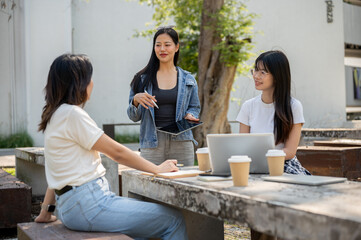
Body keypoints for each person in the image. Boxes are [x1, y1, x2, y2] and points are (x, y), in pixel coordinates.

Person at [34, 54, 188, 240]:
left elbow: (56, 168)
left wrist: (46, 211)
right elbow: (117, 152)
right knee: (173, 219)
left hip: (70, 206)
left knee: (142, 231)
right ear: (79, 83)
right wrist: (157, 168)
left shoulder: (54, 115)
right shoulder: (72, 114)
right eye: (89, 78)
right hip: (90, 204)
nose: (92, 84)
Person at [127, 26, 201, 166]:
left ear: (176, 47)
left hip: (182, 141)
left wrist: (190, 115)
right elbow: (133, 117)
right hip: (152, 143)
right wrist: (135, 100)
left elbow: (195, 107)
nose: (162, 49)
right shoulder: (141, 79)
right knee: (150, 183)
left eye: (167, 45)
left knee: (184, 183)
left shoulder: (188, 79)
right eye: (158, 45)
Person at [236, 50, 311, 175]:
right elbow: (242, 146)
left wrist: (267, 157)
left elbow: (290, 151)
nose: (256, 76)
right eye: (255, 70)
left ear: (277, 76)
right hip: (253, 163)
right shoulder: (248, 106)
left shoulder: (293, 106)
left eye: (263, 72)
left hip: (283, 164)